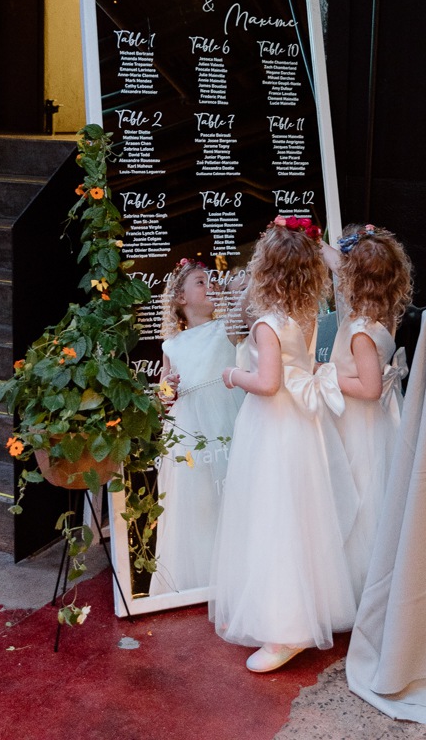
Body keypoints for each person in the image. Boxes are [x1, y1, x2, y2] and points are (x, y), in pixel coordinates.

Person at [209, 216, 357, 672]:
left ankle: (285, 628)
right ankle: (309, 608)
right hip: (301, 426)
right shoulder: (308, 312)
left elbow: (269, 382)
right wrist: (317, 247)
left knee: (274, 518)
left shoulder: (268, 324)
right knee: (302, 515)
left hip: (273, 427)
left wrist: (232, 376)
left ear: (264, 268)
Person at [323, 224, 413, 603]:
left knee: (359, 500)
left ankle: (359, 588)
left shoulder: (360, 331)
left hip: (359, 424)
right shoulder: (382, 316)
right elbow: (339, 262)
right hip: (378, 425)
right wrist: (317, 243)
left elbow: (371, 388)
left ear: (352, 280)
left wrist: (325, 374)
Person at [150, 259, 245, 596]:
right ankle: (203, 577)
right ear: (181, 299)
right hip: (191, 430)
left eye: (213, 281)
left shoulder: (228, 329)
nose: (211, 287)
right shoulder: (171, 345)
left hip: (227, 417)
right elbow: (164, 396)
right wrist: (168, 389)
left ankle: (239, 569)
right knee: (200, 501)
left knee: (233, 491)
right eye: (201, 282)